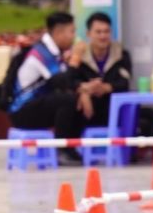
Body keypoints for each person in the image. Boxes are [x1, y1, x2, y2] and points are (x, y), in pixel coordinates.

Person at [8, 11, 82, 164]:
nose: (74, 36)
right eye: (72, 31)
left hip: (38, 105)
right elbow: (62, 82)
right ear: (58, 32)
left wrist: (85, 90)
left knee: (76, 99)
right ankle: (61, 150)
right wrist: (75, 60)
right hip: (22, 111)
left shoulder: (54, 52)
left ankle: (69, 147)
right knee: (67, 100)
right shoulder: (41, 52)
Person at [68, 12, 131, 127]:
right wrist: (84, 91)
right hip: (88, 107)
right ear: (88, 34)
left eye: (106, 31)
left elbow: (125, 82)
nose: (103, 36)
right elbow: (70, 80)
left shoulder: (121, 54)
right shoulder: (80, 55)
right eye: (98, 32)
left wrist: (105, 88)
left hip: (113, 105)